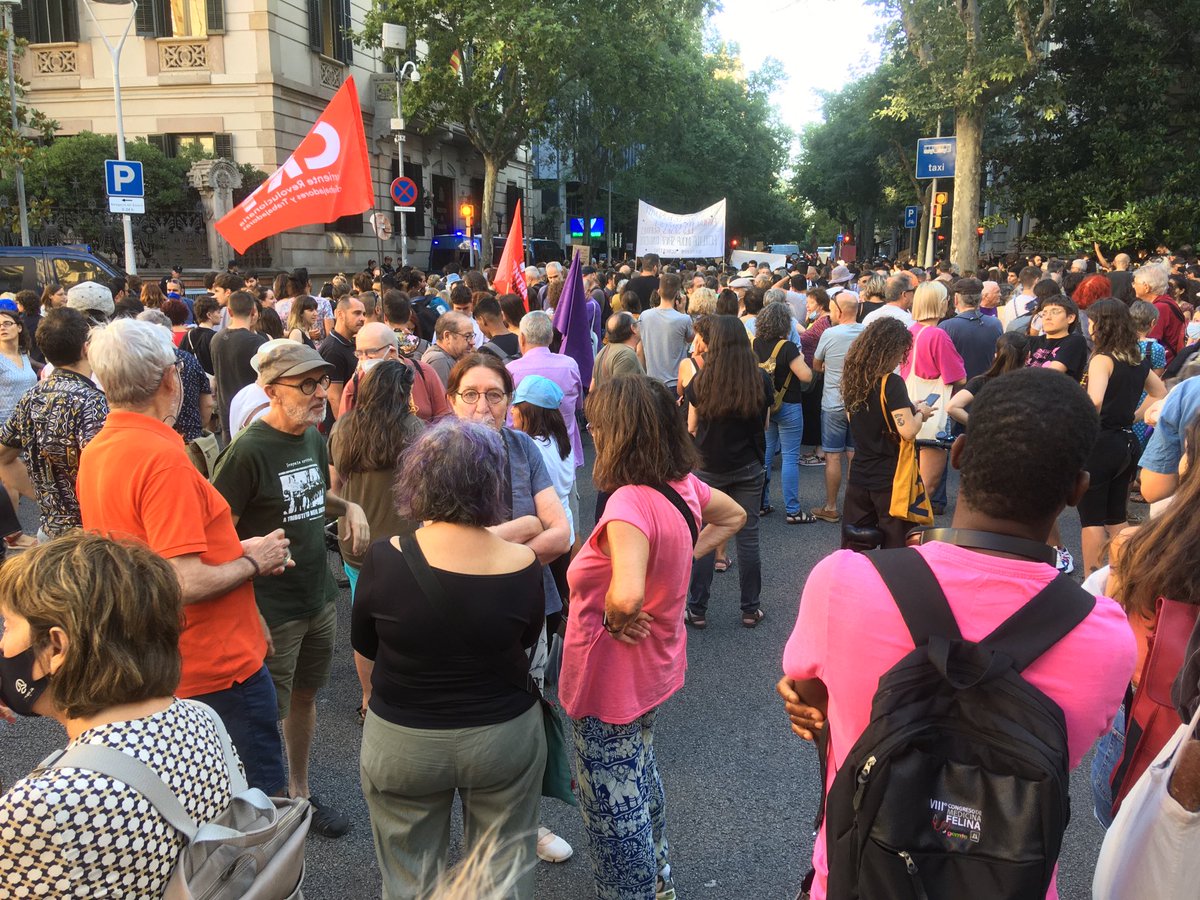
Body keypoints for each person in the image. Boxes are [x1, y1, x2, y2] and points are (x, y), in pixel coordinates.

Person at [776, 367, 1136, 900]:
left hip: (858, 877)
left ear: (961, 454)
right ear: (1078, 490)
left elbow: (812, 704)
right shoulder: (1105, 635)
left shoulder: (844, 583)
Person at [75, 318, 291, 798]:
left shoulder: (99, 450)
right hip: (213, 666)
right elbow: (182, 580)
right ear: (170, 379)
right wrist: (255, 562)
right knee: (253, 812)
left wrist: (241, 555)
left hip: (160, 657)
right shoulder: (162, 458)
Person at [558, 374, 745, 900]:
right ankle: (660, 881)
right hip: (653, 666)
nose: (590, 431)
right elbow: (733, 514)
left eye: (596, 425)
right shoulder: (682, 484)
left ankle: (632, 891)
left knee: (612, 802)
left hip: (608, 675)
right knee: (639, 771)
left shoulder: (627, 505)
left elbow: (625, 595)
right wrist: (681, 558)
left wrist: (617, 619)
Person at [351, 420, 547, 897]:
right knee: (501, 871)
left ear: (418, 479)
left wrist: (372, 700)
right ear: (493, 485)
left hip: (403, 737)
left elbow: (366, 651)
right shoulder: (523, 565)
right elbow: (524, 644)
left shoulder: (384, 558)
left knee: (408, 874)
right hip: (501, 735)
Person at [0, 533, 253, 897]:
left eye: (8, 626)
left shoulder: (43, 806)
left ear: (57, 646)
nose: (3, 644)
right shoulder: (202, 719)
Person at [212, 342, 370, 837]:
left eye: (321, 382)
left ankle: (298, 793)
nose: (319, 393)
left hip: (318, 597)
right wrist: (246, 604)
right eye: (305, 384)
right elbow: (215, 540)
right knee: (262, 718)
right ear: (270, 390)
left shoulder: (312, 436)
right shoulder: (247, 452)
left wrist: (349, 507)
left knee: (305, 697)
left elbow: (310, 494)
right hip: (270, 609)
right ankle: (265, 806)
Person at [685, 315, 773, 629]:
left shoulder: (702, 380)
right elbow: (764, 424)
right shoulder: (760, 379)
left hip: (708, 467)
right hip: (748, 465)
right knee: (748, 538)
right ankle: (750, 609)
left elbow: (692, 425)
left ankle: (697, 609)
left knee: (707, 535)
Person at [0, 309, 107, 540]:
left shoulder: (32, 396)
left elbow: (3, 455)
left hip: (51, 531)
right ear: (86, 348)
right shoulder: (92, 401)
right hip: (91, 533)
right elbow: (104, 472)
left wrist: (49, 500)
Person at [1078, 299, 1166, 574]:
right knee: (1116, 517)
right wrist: (1133, 417)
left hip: (1100, 443)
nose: (1089, 327)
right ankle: (1128, 575)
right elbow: (1159, 392)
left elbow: (1093, 402)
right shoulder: (1137, 359)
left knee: (1091, 519)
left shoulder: (1102, 359)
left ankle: (1092, 582)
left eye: (1092, 322)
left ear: (1101, 325)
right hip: (1126, 442)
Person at [840, 318, 935, 549]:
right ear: (891, 351)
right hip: (891, 479)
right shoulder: (891, 383)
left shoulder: (854, 380)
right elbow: (909, 430)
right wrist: (921, 412)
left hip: (860, 474)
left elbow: (863, 417)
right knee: (894, 547)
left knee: (855, 544)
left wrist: (906, 406)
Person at [900, 281, 967, 507]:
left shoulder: (910, 332)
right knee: (927, 485)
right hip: (933, 413)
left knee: (907, 480)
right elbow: (958, 378)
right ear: (941, 303)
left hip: (909, 407)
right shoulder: (937, 335)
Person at [753, 302, 816, 523]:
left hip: (764, 407)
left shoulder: (754, 344)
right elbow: (806, 376)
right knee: (790, 457)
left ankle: (761, 503)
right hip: (788, 404)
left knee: (766, 454)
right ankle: (792, 510)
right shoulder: (787, 347)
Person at [811, 292, 864, 523]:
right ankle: (855, 507)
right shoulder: (866, 332)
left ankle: (831, 507)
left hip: (833, 402)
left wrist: (830, 371)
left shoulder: (829, 333)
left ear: (839, 311)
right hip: (860, 403)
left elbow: (816, 364)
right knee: (855, 454)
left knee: (832, 456)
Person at [136, 309, 214, 443]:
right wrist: (196, 428)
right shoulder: (188, 359)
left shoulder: (136, 364)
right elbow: (207, 404)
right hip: (190, 440)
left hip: (151, 441)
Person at [210, 290, 267, 443]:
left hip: (226, 413)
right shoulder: (258, 343)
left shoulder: (216, 339)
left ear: (229, 311)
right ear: (253, 311)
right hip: (252, 414)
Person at [945, 331, 1030, 426]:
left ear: (996, 355)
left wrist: (981, 427)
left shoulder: (981, 382)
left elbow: (952, 407)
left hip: (988, 438)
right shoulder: (1034, 383)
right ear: (1028, 356)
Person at [637, 273, 694, 390]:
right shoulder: (684, 319)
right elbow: (691, 339)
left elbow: (640, 347)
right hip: (676, 382)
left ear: (658, 291)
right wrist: (683, 310)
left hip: (652, 381)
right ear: (677, 294)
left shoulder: (644, 316)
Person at [798, 288, 832, 467]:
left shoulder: (824, 322)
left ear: (819, 303)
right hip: (815, 372)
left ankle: (820, 452)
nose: (807, 305)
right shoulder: (819, 320)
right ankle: (818, 450)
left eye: (810, 302)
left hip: (818, 374)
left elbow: (807, 340)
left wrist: (798, 329)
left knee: (816, 411)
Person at [318, 296, 366, 420]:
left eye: (363, 314)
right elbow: (334, 398)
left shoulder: (349, 342)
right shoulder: (333, 349)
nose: (362, 318)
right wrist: (346, 434)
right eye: (357, 313)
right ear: (340, 314)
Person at [1025, 295, 1088, 382]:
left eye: (1055, 312)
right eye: (1044, 313)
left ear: (1070, 318)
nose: (1047, 317)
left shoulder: (1075, 341)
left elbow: (1049, 377)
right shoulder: (1031, 341)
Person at [0, 306, 36, 428]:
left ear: (19, 327)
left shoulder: (24, 354)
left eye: (7, 323)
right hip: (5, 428)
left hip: (29, 425)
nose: (2, 327)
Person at [422, 311, 476, 386]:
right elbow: (444, 397)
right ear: (447, 336)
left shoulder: (447, 358)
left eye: (472, 336)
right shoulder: (439, 360)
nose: (473, 342)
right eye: (467, 336)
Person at [591, 312, 643, 388]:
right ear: (633, 328)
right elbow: (624, 395)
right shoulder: (627, 355)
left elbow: (592, 387)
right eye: (638, 322)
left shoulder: (604, 350)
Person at [182, 295, 220, 376]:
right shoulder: (215, 337)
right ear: (209, 315)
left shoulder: (188, 335)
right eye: (218, 312)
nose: (221, 315)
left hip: (194, 380)